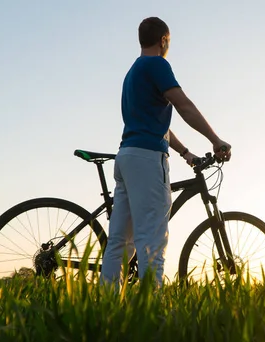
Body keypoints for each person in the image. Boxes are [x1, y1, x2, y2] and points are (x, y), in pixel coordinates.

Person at [99, 16, 232, 288]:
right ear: (163, 41)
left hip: (127, 156)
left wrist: (185, 152)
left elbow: (156, 124)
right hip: (148, 160)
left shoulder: (133, 72)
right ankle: (152, 316)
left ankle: (105, 309)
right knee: (152, 241)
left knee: (120, 243)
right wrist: (215, 139)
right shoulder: (157, 64)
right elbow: (184, 106)